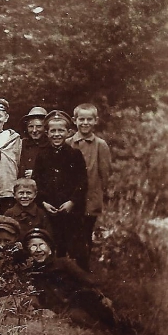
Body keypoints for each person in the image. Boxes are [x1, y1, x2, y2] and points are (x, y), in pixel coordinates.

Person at [21, 228, 118, 328]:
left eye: (42, 245)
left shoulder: (63, 263)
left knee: (85, 318)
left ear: (50, 250)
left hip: (75, 305)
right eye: (33, 246)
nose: (38, 250)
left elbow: (88, 280)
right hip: (54, 311)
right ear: (28, 252)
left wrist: (104, 296)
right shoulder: (30, 272)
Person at [32, 110, 88, 267]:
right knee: (54, 244)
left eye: (61, 130)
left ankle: (81, 282)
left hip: (71, 211)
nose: (57, 134)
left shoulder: (75, 155)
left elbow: (82, 182)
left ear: (68, 132)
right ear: (47, 133)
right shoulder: (42, 155)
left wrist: (72, 202)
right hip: (50, 210)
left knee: (76, 246)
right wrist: (43, 203)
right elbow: (37, 181)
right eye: (53, 131)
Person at [66, 103, 112, 270]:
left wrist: (99, 194)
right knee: (70, 235)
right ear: (74, 121)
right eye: (81, 119)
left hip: (90, 200)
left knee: (85, 236)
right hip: (71, 200)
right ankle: (71, 271)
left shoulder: (100, 145)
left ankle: (84, 272)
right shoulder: (68, 143)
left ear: (95, 121)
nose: (85, 123)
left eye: (89, 119)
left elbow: (105, 174)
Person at [18, 106, 50, 178]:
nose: (34, 130)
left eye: (39, 126)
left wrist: (36, 173)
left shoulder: (51, 145)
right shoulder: (22, 144)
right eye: (31, 126)